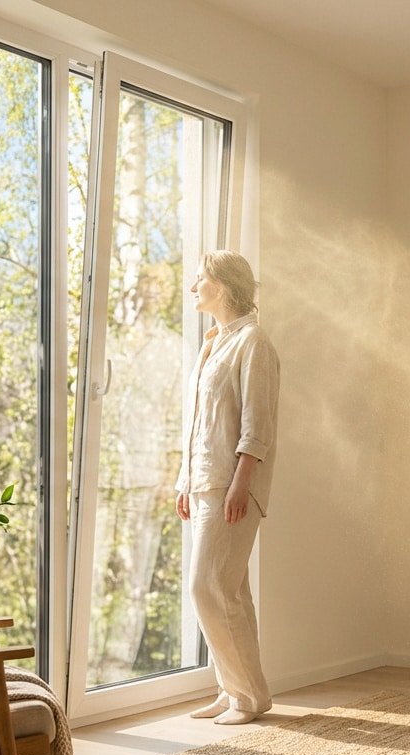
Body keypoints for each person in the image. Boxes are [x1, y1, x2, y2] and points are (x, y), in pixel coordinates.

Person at [175, 250, 279, 725]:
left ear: (222, 285)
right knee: (229, 591)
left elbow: (258, 424)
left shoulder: (254, 342)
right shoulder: (212, 343)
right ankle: (235, 689)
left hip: (230, 487)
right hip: (202, 484)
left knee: (207, 587)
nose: (192, 286)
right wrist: (184, 480)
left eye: (200, 279)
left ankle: (247, 697)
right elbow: (199, 422)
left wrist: (241, 483)